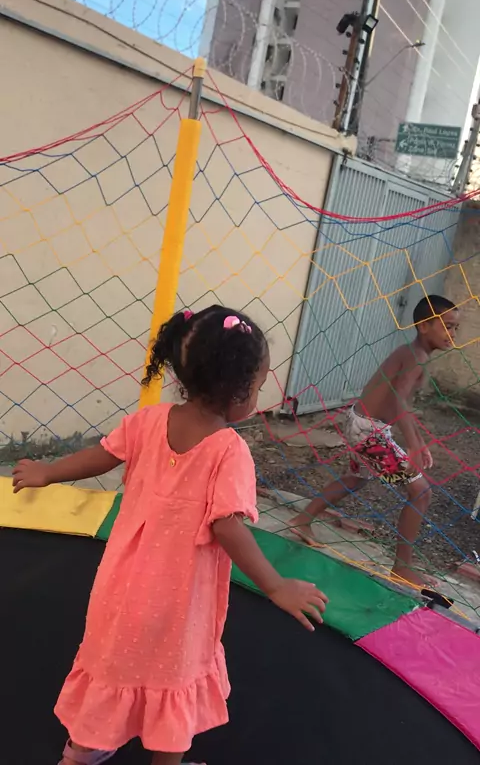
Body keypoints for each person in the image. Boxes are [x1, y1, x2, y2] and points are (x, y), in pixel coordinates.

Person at [12, 305, 328, 765]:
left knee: (111, 666)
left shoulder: (148, 420)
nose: (259, 394)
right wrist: (275, 585)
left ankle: (80, 753)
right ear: (237, 388)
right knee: (172, 685)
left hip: (119, 590)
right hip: (179, 604)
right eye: (259, 385)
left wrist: (48, 472)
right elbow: (227, 526)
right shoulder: (229, 451)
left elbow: (103, 454)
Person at [290, 295, 460, 588]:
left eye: (456, 328)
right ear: (424, 326)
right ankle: (402, 568)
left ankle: (302, 520)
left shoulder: (414, 353)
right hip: (369, 432)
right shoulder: (415, 356)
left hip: (363, 424)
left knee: (356, 478)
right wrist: (413, 445)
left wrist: (419, 441)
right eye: (446, 326)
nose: (452, 334)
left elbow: (403, 403)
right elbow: (398, 399)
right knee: (420, 492)